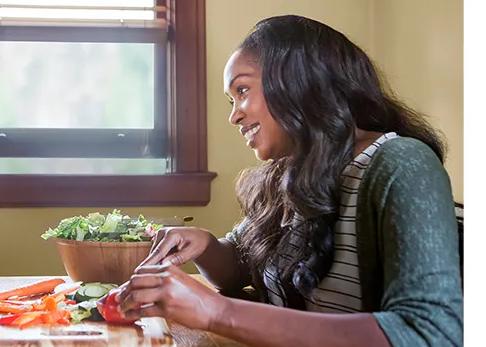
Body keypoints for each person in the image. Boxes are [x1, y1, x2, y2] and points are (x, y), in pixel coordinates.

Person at [116, 15, 462, 347]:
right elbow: (241, 268)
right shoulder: (290, 173)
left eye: (242, 90)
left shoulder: (401, 163)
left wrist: (215, 311)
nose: (234, 114)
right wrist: (206, 246)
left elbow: (431, 334)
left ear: (298, 81)